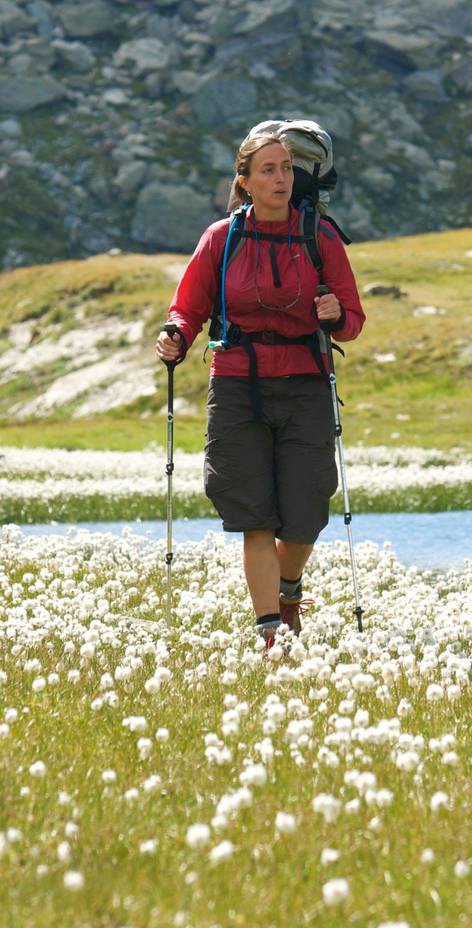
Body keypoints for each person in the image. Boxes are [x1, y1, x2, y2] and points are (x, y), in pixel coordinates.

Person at [155, 127, 365, 647]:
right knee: (254, 515)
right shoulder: (221, 238)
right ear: (244, 182)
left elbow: (353, 320)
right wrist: (176, 336)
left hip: (305, 387)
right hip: (236, 388)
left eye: (287, 169)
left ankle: (289, 590)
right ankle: (271, 635)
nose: (280, 179)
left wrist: (335, 313)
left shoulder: (321, 236)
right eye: (268, 170)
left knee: (304, 514)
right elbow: (189, 307)